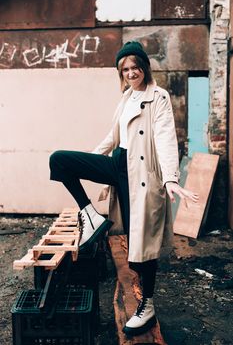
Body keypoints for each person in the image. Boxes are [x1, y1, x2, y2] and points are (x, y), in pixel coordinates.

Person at [49, 41, 198, 337]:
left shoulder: (159, 97)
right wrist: (91, 159)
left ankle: (148, 304)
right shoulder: (127, 97)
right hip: (119, 165)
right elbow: (113, 135)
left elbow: (167, 136)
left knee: (141, 247)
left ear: (145, 67)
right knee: (61, 161)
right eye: (125, 69)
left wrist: (170, 177)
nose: (131, 73)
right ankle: (90, 215)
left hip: (142, 176)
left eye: (135, 67)